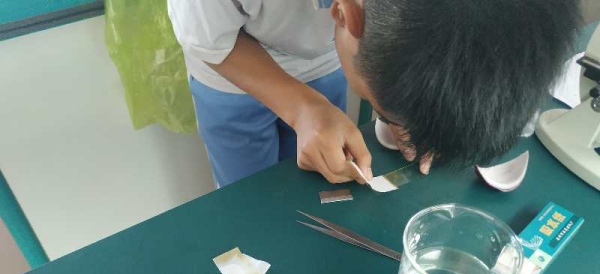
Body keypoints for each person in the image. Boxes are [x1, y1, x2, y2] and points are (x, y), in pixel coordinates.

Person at [168, 0, 580, 188]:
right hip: (231, 65)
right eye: (390, 113)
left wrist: (421, 114)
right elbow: (210, 41)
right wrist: (303, 108)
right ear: (347, 13)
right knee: (250, 197)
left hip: (332, 55)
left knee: (318, 171)